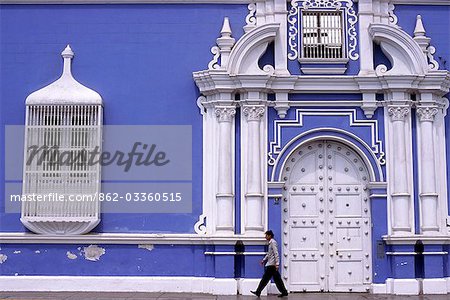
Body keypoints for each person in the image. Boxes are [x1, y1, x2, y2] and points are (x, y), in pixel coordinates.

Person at [251, 230, 288, 298]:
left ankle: (258, 291)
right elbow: (269, 254)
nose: (265, 237)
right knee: (277, 280)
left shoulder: (273, 243)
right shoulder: (270, 243)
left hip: (272, 265)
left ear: (270, 235)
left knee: (265, 279)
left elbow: (276, 253)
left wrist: (277, 264)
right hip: (271, 264)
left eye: (266, 235)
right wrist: (264, 260)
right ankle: (284, 292)